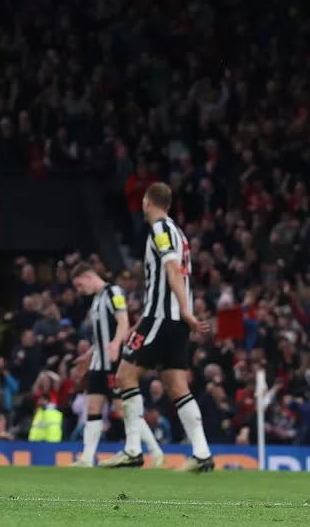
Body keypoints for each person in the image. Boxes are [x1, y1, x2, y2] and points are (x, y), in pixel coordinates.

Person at [101, 183, 214, 472]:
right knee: (177, 386)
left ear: (147, 202)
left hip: (163, 316)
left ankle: (132, 449)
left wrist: (186, 310)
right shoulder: (179, 231)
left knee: (125, 375)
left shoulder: (160, 229)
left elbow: (172, 268)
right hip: (173, 321)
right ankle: (202, 453)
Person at [69, 262, 163, 467]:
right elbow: (100, 336)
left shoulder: (113, 292)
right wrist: (88, 355)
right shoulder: (96, 300)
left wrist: (115, 344)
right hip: (97, 363)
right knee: (92, 406)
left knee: (122, 409)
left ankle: (155, 451)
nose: (79, 290)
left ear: (87, 276)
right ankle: (86, 457)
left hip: (114, 362)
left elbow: (123, 321)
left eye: (79, 285)